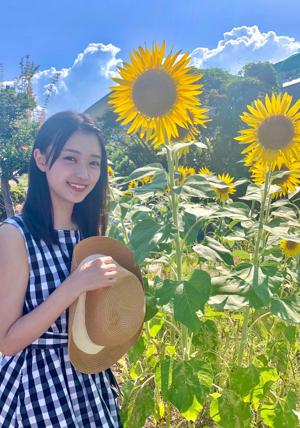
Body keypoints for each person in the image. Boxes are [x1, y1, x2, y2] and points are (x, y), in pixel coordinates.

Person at [0, 111, 123, 427]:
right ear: (41, 160)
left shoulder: (88, 233)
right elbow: (7, 342)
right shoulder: (15, 235)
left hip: (88, 379)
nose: (84, 173)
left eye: (94, 162)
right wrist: (74, 285)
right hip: (36, 387)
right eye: (71, 158)